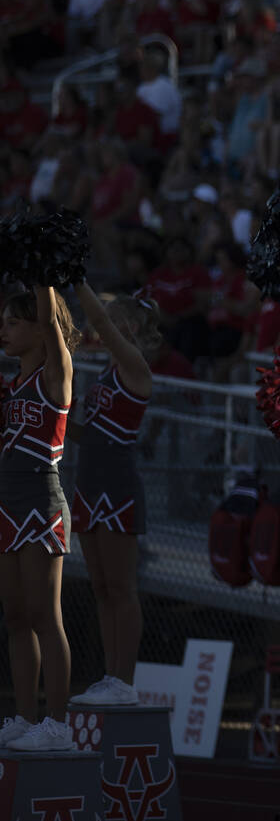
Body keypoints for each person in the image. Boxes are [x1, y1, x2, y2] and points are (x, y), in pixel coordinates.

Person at [68, 286, 158, 706]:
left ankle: (124, 679)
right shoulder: (105, 373)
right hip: (89, 479)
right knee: (101, 587)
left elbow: (98, 322)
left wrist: (75, 280)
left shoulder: (135, 367)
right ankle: (110, 676)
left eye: (109, 320)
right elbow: (89, 432)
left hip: (118, 484)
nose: (98, 328)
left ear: (127, 326)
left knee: (121, 587)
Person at [0, 287, 81, 751]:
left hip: (40, 500)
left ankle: (59, 724)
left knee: (44, 615)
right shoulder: (10, 385)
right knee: (15, 616)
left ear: (37, 327)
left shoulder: (56, 374)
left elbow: (54, 325)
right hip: (7, 502)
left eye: (13, 322)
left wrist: (42, 273)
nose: (4, 331)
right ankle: (25, 717)